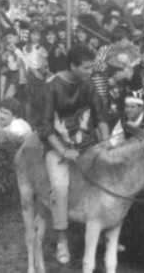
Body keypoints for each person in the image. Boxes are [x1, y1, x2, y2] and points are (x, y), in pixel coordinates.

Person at [38, 45, 109, 265]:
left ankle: (103, 233)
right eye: (87, 68)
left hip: (86, 144)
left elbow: (100, 117)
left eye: (92, 67)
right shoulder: (51, 86)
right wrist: (63, 151)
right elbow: (45, 128)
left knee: (106, 178)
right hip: (57, 146)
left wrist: (106, 142)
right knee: (60, 188)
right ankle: (62, 239)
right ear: (72, 66)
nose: (91, 71)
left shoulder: (89, 84)